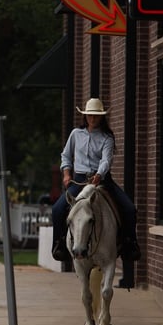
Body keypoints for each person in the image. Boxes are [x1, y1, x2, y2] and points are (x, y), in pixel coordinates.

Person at [51, 98, 141, 262]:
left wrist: (99, 175)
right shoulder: (75, 134)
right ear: (85, 116)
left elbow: (106, 160)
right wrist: (66, 174)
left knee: (129, 209)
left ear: (102, 117)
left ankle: (129, 244)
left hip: (102, 180)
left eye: (96, 116)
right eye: (89, 115)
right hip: (79, 180)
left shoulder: (107, 138)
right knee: (57, 209)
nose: (92, 118)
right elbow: (65, 155)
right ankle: (60, 245)